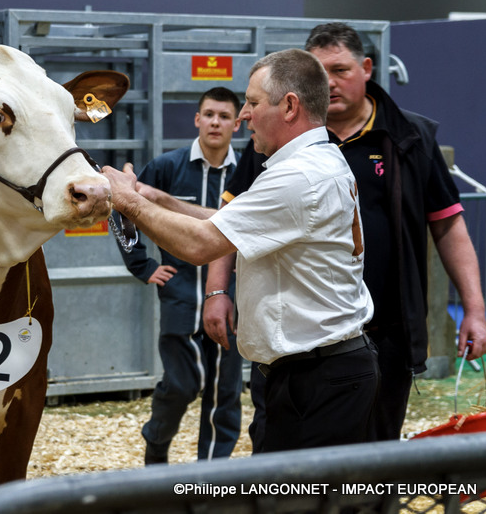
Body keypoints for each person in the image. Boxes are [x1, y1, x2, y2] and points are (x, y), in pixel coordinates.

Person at [205, 22, 486, 448]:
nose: (330, 83)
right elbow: (232, 217)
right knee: (280, 457)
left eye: (339, 70)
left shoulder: (407, 138)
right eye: (319, 74)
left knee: (373, 455)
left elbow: (448, 223)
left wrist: (474, 308)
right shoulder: (273, 141)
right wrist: (216, 291)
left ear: (367, 68)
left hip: (383, 331)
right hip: (294, 343)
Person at [104, 48, 380, 453]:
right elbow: (227, 221)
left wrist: (126, 200)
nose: (242, 116)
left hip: (320, 375)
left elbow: (201, 243)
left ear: (289, 107)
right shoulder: (311, 162)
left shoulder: (298, 176)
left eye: (251, 103)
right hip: (315, 369)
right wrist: (152, 197)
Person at [118, 87, 244, 464]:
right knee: (181, 385)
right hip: (181, 295)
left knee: (224, 392)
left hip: (231, 300)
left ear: (237, 124)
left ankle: (212, 476)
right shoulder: (167, 166)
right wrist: (143, 265)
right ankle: (156, 442)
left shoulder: (248, 172)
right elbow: (123, 208)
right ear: (197, 120)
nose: (215, 122)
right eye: (209, 114)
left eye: (224, 116)